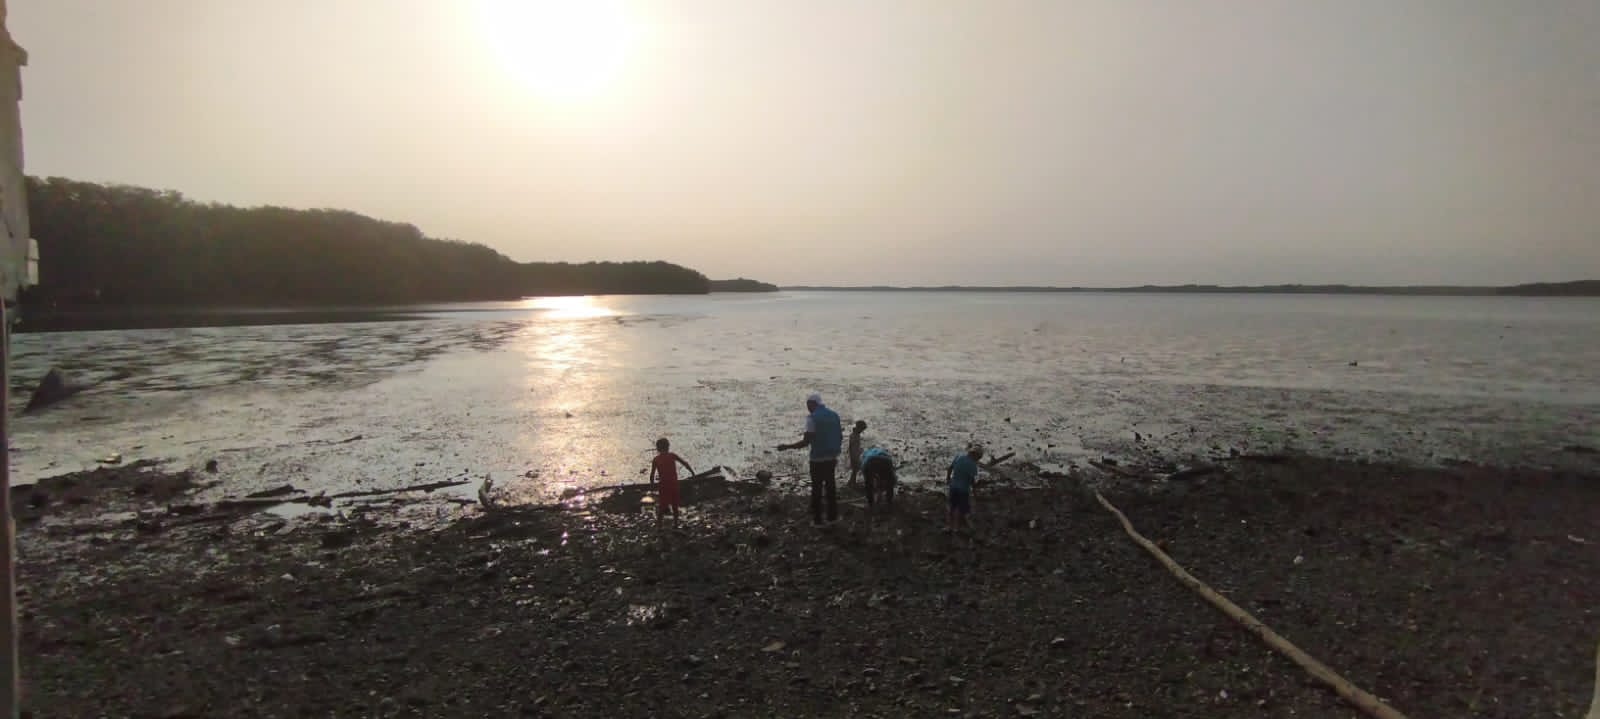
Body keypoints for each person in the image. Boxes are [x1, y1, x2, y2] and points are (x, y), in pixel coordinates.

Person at [776, 392, 843, 526]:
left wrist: (787, 446)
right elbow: (840, 436)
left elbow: (806, 442)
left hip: (817, 459)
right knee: (830, 487)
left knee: (817, 488)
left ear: (813, 404)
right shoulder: (834, 415)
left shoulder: (812, 418)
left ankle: (818, 520)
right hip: (832, 457)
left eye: (808, 405)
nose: (807, 408)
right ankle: (832, 517)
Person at [649, 438, 694, 522]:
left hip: (663, 485)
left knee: (662, 506)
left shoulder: (656, 459)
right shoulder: (672, 456)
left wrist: (652, 487)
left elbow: (652, 475)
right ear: (668, 447)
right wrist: (692, 473)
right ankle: (675, 524)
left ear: (658, 448)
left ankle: (659, 525)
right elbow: (685, 464)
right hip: (673, 484)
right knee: (675, 505)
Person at [946, 443, 983, 531]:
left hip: (953, 487)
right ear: (976, 455)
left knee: (951, 507)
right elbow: (972, 480)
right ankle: (956, 528)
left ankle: (949, 526)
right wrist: (975, 492)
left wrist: (948, 479)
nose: (978, 459)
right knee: (960, 509)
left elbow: (950, 468)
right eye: (978, 457)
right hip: (963, 490)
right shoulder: (972, 465)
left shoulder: (959, 456)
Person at [860, 446, 896, 511]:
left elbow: (870, 480)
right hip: (885, 461)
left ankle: (871, 504)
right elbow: (888, 479)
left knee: (868, 483)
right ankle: (889, 502)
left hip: (869, 461)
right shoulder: (882, 452)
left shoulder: (865, 455)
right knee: (889, 482)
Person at [847, 420, 868, 486]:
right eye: (862, 429)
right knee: (855, 469)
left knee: (855, 470)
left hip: (855, 454)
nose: (862, 431)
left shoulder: (855, 434)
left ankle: (852, 481)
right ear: (859, 428)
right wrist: (855, 456)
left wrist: (860, 450)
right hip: (854, 455)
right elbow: (853, 447)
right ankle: (851, 482)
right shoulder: (855, 435)